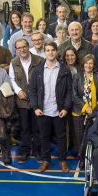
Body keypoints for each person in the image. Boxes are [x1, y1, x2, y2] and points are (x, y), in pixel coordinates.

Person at [28, 41, 73, 173]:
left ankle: (62, 160)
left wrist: (65, 107)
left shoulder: (64, 69)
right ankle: (46, 160)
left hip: (59, 110)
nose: (50, 53)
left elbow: (69, 91)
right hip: (43, 110)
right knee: (44, 136)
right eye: (47, 50)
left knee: (61, 136)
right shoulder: (38, 70)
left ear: (57, 52)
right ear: (44, 52)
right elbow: (32, 90)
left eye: (53, 50)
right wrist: (35, 107)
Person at [9, 38, 44, 163]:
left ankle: (38, 150)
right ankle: (25, 150)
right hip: (22, 100)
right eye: (19, 48)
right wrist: (18, 91)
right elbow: (11, 79)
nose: (22, 49)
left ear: (28, 47)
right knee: (24, 127)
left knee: (37, 127)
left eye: (24, 46)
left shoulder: (39, 60)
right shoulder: (13, 63)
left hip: (37, 101)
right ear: (16, 50)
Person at [72, 54, 98, 168]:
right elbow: (74, 95)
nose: (88, 65)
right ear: (83, 64)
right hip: (79, 112)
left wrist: (95, 108)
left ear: (94, 65)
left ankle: (92, 157)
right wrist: (85, 107)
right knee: (79, 137)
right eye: (86, 63)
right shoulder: (77, 76)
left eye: (91, 63)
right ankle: (81, 158)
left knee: (92, 135)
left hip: (95, 112)